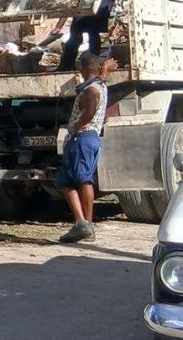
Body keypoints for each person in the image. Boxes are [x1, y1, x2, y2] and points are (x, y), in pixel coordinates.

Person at [57, 52, 110, 243]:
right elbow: (101, 78)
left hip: (83, 137)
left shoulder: (92, 90)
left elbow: (89, 110)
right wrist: (106, 68)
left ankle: (86, 223)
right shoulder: (100, 84)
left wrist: (77, 127)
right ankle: (82, 224)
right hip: (87, 137)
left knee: (83, 179)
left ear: (85, 68)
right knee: (65, 181)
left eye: (80, 65)